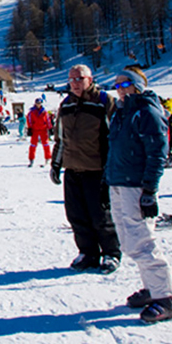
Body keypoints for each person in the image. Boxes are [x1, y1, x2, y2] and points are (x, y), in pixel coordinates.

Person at [106, 66, 172, 323]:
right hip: (118, 182)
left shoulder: (146, 111)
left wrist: (150, 190)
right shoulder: (122, 112)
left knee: (142, 241)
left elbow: (157, 153)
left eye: (125, 84)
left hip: (136, 185)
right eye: (117, 85)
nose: (120, 90)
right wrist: (108, 180)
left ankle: (165, 296)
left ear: (137, 86)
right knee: (127, 241)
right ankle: (152, 287)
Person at [50, 64, 121, 274]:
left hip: (97, 169)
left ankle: (111, 252)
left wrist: (112, 168)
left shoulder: (103, 102)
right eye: (71, 79)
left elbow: (114, 138)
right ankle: (88, 252)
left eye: (79, 79)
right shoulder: (66, 105)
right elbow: (60, 139)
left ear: (90, 80)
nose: (75, 83)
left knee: (100, 215)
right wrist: (56, 164)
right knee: (76, 214)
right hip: (72, 169)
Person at [27, 98, 52, 166]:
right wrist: (30, 128)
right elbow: (29, 120)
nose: (38, 104)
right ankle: (31, 159)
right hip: (35, 129)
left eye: (40, 103)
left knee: (46, 144)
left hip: (43, 129)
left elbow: (47, 120)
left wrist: (50, 128)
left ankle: (48, 158)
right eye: (37, 103)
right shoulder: (32, 112)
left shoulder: (44, 112)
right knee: (33, 144)